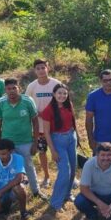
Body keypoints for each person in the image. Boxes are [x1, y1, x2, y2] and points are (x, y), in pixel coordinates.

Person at [0, 77, 43, 200]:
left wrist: (35, 142)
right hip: (8, 143)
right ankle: (13, 194)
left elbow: (35, 122)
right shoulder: (1, 103)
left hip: (25, 141)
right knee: (10, 169)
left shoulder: (28, 101)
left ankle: (36, 191)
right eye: (8, 89)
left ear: (19, 88)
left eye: (14, 88)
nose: (11, 91)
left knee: (28, 166)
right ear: (5, 90)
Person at [25, 58, 63, 190]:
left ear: (48, 68)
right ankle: (46, 176)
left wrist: (50, 114)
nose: (41, 70)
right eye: (38, 68)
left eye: (43, 67)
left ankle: (64, 175)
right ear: (35, 71)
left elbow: (63, 101)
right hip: (39, 127)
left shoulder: (56, 84)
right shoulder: (32, 86)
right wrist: (37, 114)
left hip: (56, 126)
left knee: (60, 151)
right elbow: (27, 104)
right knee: (42, 152)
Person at [40, 83, 77, 212]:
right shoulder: (48, 110)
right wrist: (53, 151)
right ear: (54, 94)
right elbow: (46, 132)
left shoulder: (68, 105)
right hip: (58, 140)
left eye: (65, 94)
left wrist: (76, 136)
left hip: (71, 138)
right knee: (64, 172)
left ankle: (67, 194)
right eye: (60, 93)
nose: (62, 96)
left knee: (73, 168)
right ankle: (56, 202)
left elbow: (73, 121)